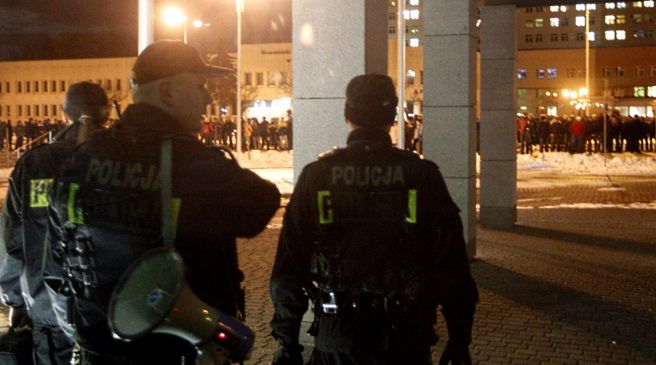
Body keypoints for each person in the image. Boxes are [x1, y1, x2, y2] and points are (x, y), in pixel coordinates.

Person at [45, 40, 281, 364]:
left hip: (98, 350)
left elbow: (56, 263)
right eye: (200, 86)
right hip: (180, 350)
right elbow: (262, 203)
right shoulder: (192, 163)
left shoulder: (84, 157)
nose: (208, 98)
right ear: (167, 91)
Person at [269, 74, 478, 365]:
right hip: (405, 339)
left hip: (336, 338)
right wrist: (459, 339)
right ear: (393, 116)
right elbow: (452, 267)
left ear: (346, 116)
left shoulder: (316, 176)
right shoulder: (421, 175)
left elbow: (287, 272)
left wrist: (287, 342)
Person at [0, 81, 111, 365]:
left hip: (46, 307)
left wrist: (14, 299)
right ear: (107, 115)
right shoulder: (119, 162)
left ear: (64, 115)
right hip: (111, 313)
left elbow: (14, 239)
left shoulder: (34, 163)